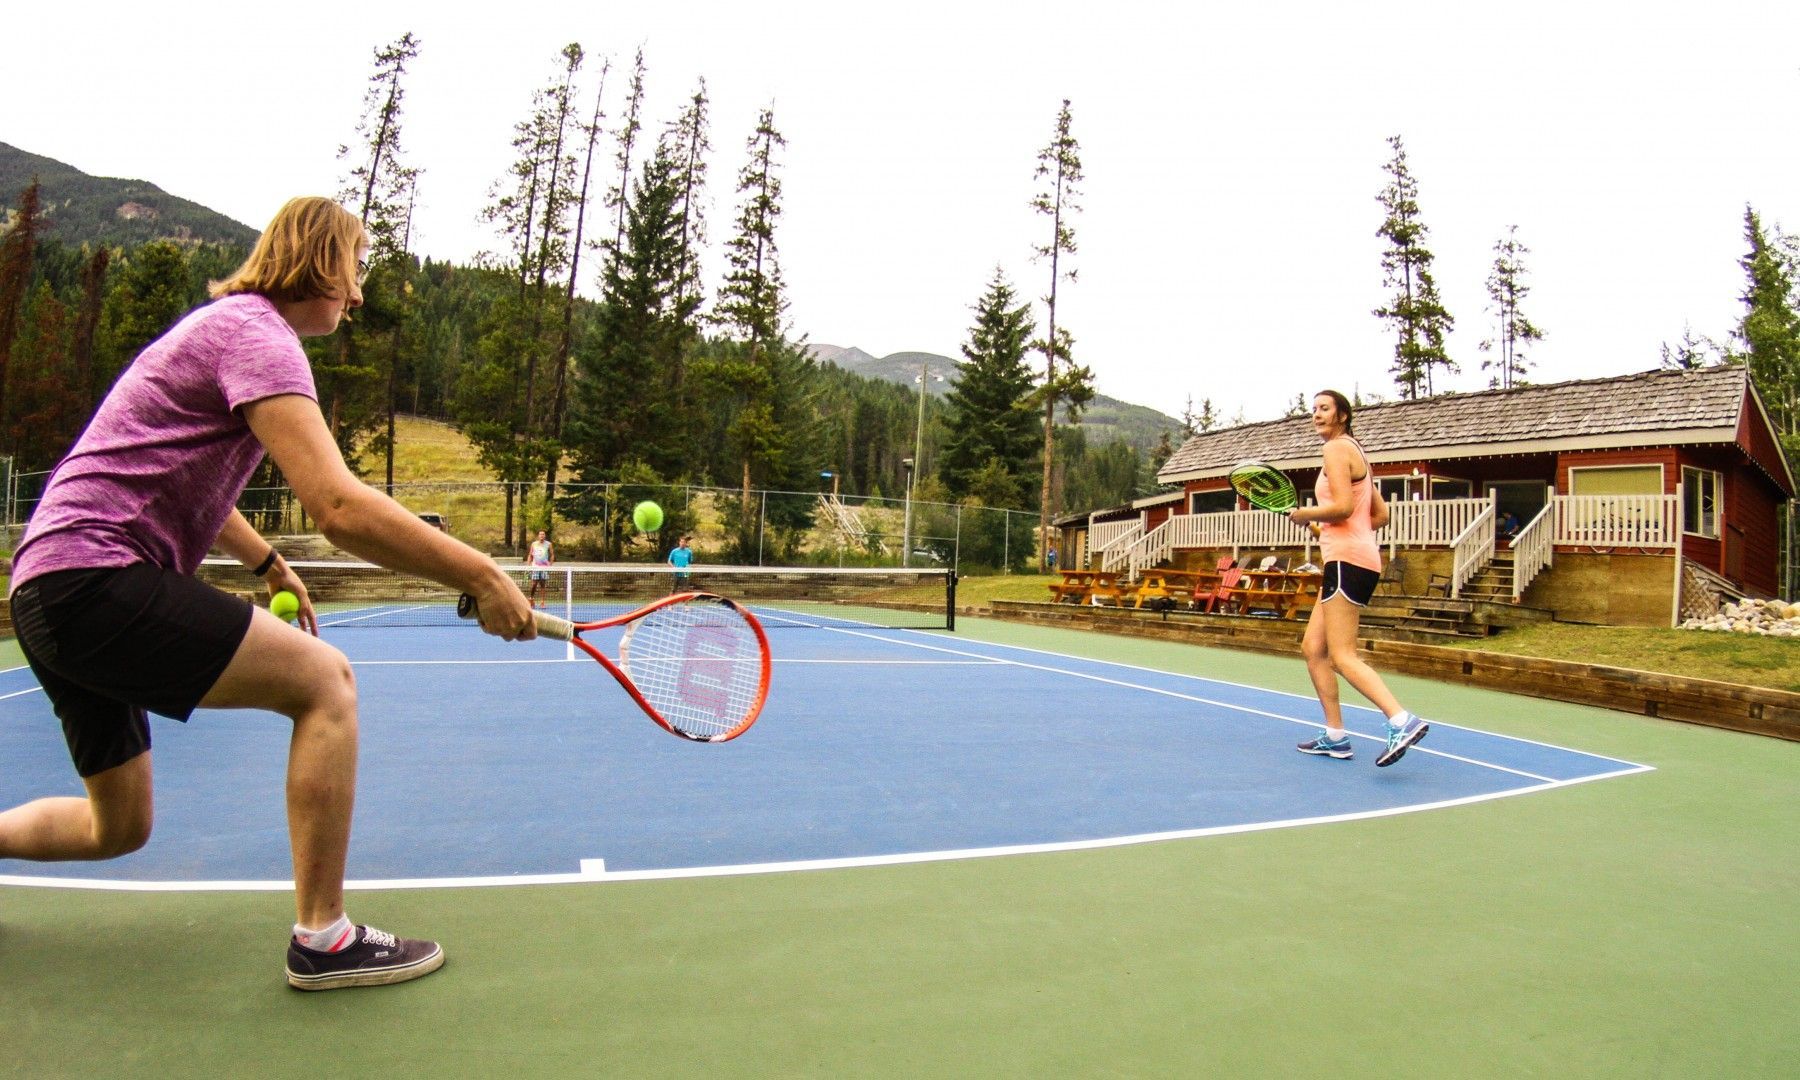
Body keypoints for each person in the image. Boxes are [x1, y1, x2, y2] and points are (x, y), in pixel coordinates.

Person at [0, 196, 535, 990]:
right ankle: (324, 939)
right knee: (326, 684)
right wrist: (482, 573)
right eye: (354, 269)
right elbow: (340, 505)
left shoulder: (222, 330)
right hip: (93, 578)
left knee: (119, 826)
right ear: (318, 261)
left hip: (45, 591)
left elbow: (169, 473)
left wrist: (265, 562)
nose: (357, 295)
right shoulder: (261, 336)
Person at [1286, 389, 1430, 767]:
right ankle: (1335, 737)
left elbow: (1345, 508)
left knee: (1342, 655)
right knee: (1313, 648)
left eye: (1325, 409)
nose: (1317, 414)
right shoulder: (1356, 451)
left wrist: (1307, 515)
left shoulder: (1335, 450)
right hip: (1355, 557)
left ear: (1343, 416)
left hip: (1347, 563)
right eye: (1313, 409)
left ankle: (1402, 720)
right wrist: (1324, 530)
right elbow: (1377, 516)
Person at [527, 529, 554, 608]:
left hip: (544, 567)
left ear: (545, 536)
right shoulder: (534, 544)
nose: (542, 536)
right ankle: (531, 599)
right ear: (538, 536)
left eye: (543, 534)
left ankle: (542, 602)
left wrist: (550, 564)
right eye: (540, 534)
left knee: (543, 584)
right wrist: (528, 565)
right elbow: (530, 555)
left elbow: (552, 555)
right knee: (534, 584)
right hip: (535, 566)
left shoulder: (549, 544)